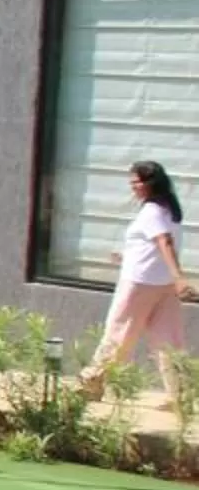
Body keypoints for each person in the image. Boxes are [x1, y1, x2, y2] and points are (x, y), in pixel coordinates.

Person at [80, 160, 191, 399]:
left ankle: (92, 383)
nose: (133, 187)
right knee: (168, 340)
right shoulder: (169, 210)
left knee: (119, 332)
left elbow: (164, 242)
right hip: (162, 285)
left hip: (140, 283)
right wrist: (127, 255)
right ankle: (182, 394)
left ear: (151, 183)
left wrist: (179, 276)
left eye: (137, 182)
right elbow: (155, 245)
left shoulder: (152, 211)